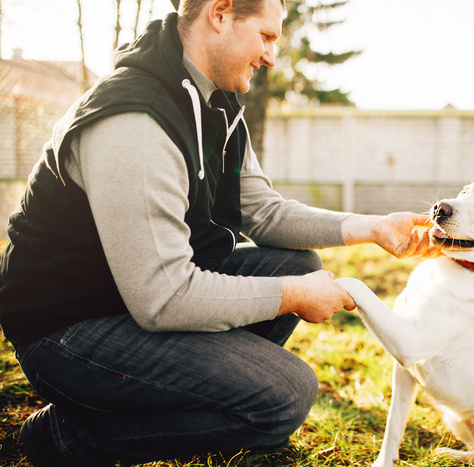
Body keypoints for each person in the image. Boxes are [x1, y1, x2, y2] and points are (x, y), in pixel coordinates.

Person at [0, 0, 437, 465]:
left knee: (298, 261)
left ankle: (213, 390)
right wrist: (291, 295)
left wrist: (372, 228)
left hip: (129, 300)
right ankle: (66, 438)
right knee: (286, 395)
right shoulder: (135, 120)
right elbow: (164, 297)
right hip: (69, 329)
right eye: (267, 37)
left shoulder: (217, 103)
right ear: (221, 13)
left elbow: (263, 212)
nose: (272, 57)